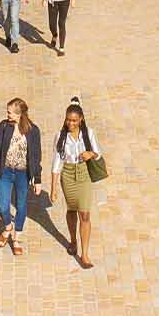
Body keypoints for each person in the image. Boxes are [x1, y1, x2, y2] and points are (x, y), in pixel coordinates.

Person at [0, 97, 42, 256]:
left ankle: (16, 238)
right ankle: (8, 227)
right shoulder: (4, 126)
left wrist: (37, 179)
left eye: (10, 112)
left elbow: (36, 156)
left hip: (23, 174)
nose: (7, 115)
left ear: (19, 114)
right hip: (6, 172)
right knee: (3, 205)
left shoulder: (33, 131)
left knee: (21, 206)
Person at [53, 97, 103, 268]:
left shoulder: (89, 133)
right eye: (68, 120)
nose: (71, 123)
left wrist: (91, 154)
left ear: (81, 119)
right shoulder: (60, 136)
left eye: (74, 120)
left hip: (84, 175)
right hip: (67, 175)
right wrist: (53, 188)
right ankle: (73, 241)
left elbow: (98, 153)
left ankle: (85, 255)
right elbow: (56, 162)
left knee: (85, 215)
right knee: (71, 210)